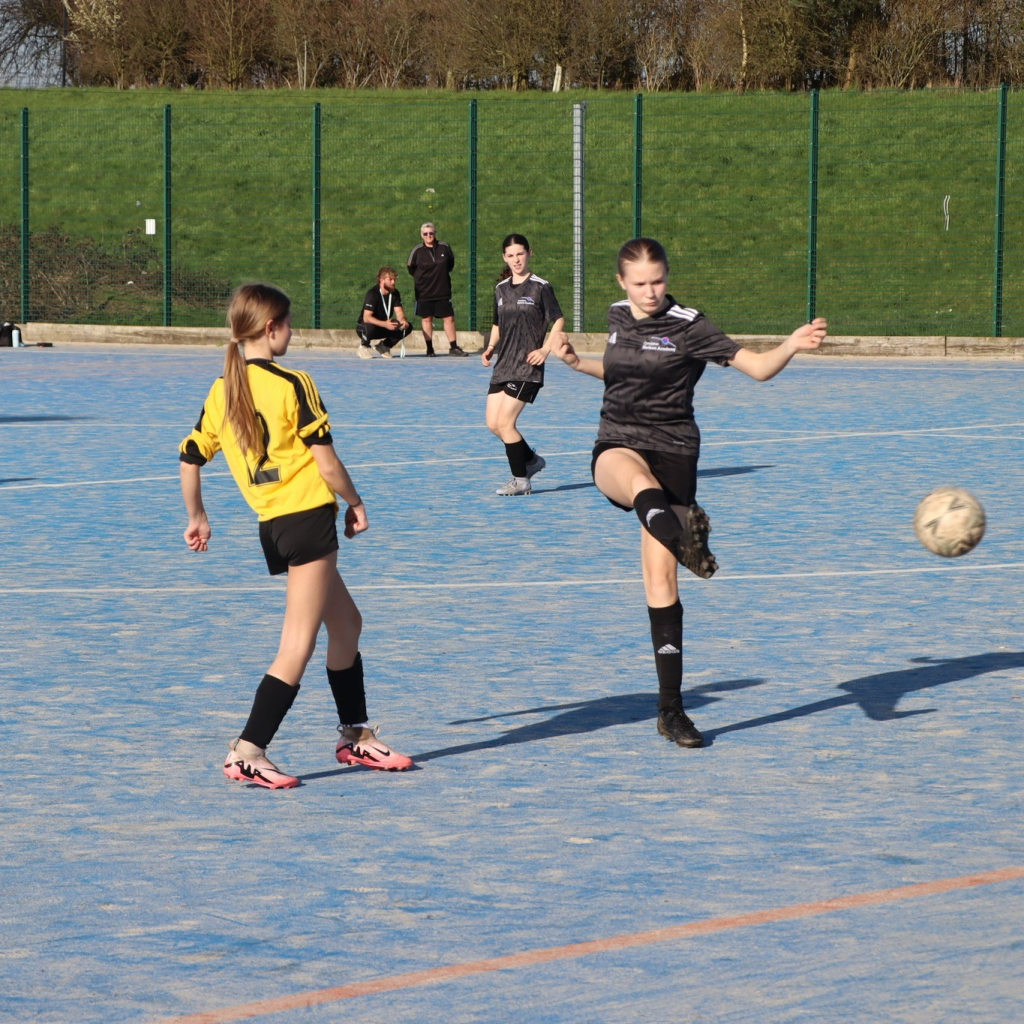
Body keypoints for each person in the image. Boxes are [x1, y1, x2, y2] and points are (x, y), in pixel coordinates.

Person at [549, 239, 827, 750]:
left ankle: (671, 712)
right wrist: (576, 362)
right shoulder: (616, 315)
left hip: (674, 451)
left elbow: (758, 368)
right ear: (621, 283)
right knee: (637, 484)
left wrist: (790, 344)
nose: (650, 291)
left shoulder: (690, 325)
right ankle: (684, 538)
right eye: (639, 283)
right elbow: (621, 373)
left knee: (661, 584)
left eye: (657, 280)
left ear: (667, 276)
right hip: (617, 444)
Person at [178, 283, 413, 789]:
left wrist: (197, 516)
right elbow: (326, 463)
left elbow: (190, 457)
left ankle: (355, 734)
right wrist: (356, 503)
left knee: (347, 624)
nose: (292, 332)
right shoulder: (293, 383)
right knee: (296, 645)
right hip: (306, 519)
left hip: (277, 527)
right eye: (288, 324)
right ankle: (248, 751)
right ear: (271, 328)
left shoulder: (223, 388)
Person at [481, 233, 565, 496]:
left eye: (520, 253)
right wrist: (491, 347)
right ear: (504, 257)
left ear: (529, 253)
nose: (516, 259)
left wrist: (545, 349)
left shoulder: (541, 287)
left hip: (528, 366)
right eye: (510, 255)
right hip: (504, 364)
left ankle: (521, 480)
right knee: (493, 424)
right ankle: (530, 460)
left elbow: (558, 320)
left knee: (506, 423)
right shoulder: (500, 288)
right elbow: (497, 324)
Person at [407, 222, 466, 357]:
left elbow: (450, 264)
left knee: (449, 318)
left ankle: (454, 348)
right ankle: (429, 349)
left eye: (431, 233)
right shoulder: (417, 251)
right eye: (425, 233)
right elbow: (411, 267)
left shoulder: (444, 247)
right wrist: (421, 280)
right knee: (427, 319)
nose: (429, 236)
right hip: (424, 292)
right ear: (422, 235)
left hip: (442, 290)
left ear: (435, 233)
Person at [356, 266, 414, 360]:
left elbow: (399, 313)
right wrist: (385, 324)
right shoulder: (373, 294)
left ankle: (384, 346)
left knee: (407, 326)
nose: (393, 282)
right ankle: (363, 347)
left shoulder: (395, 293)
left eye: (394, 280)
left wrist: (403, 320)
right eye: (390, 279)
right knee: (368, 326)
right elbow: (366, 318)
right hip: (366, 327)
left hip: (383, 326)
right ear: (382, 280)